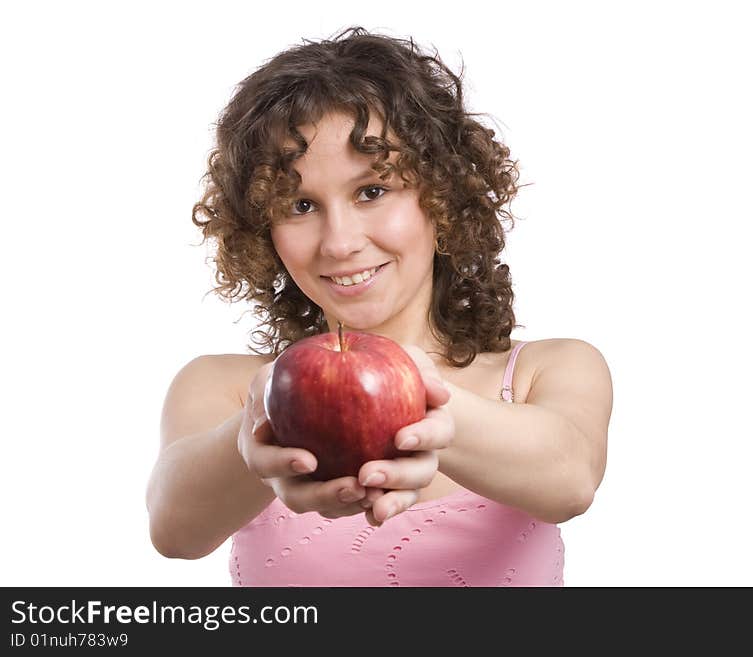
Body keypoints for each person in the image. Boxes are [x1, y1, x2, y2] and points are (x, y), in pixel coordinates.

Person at [146, 26, 613, 587]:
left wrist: (421, 402)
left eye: (372, 191)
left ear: (442, 194)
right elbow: (173, 529)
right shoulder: (230, 389)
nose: (339, 242)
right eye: (300, 205)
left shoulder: (547, 370)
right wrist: (256, 432)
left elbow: (570, 482)